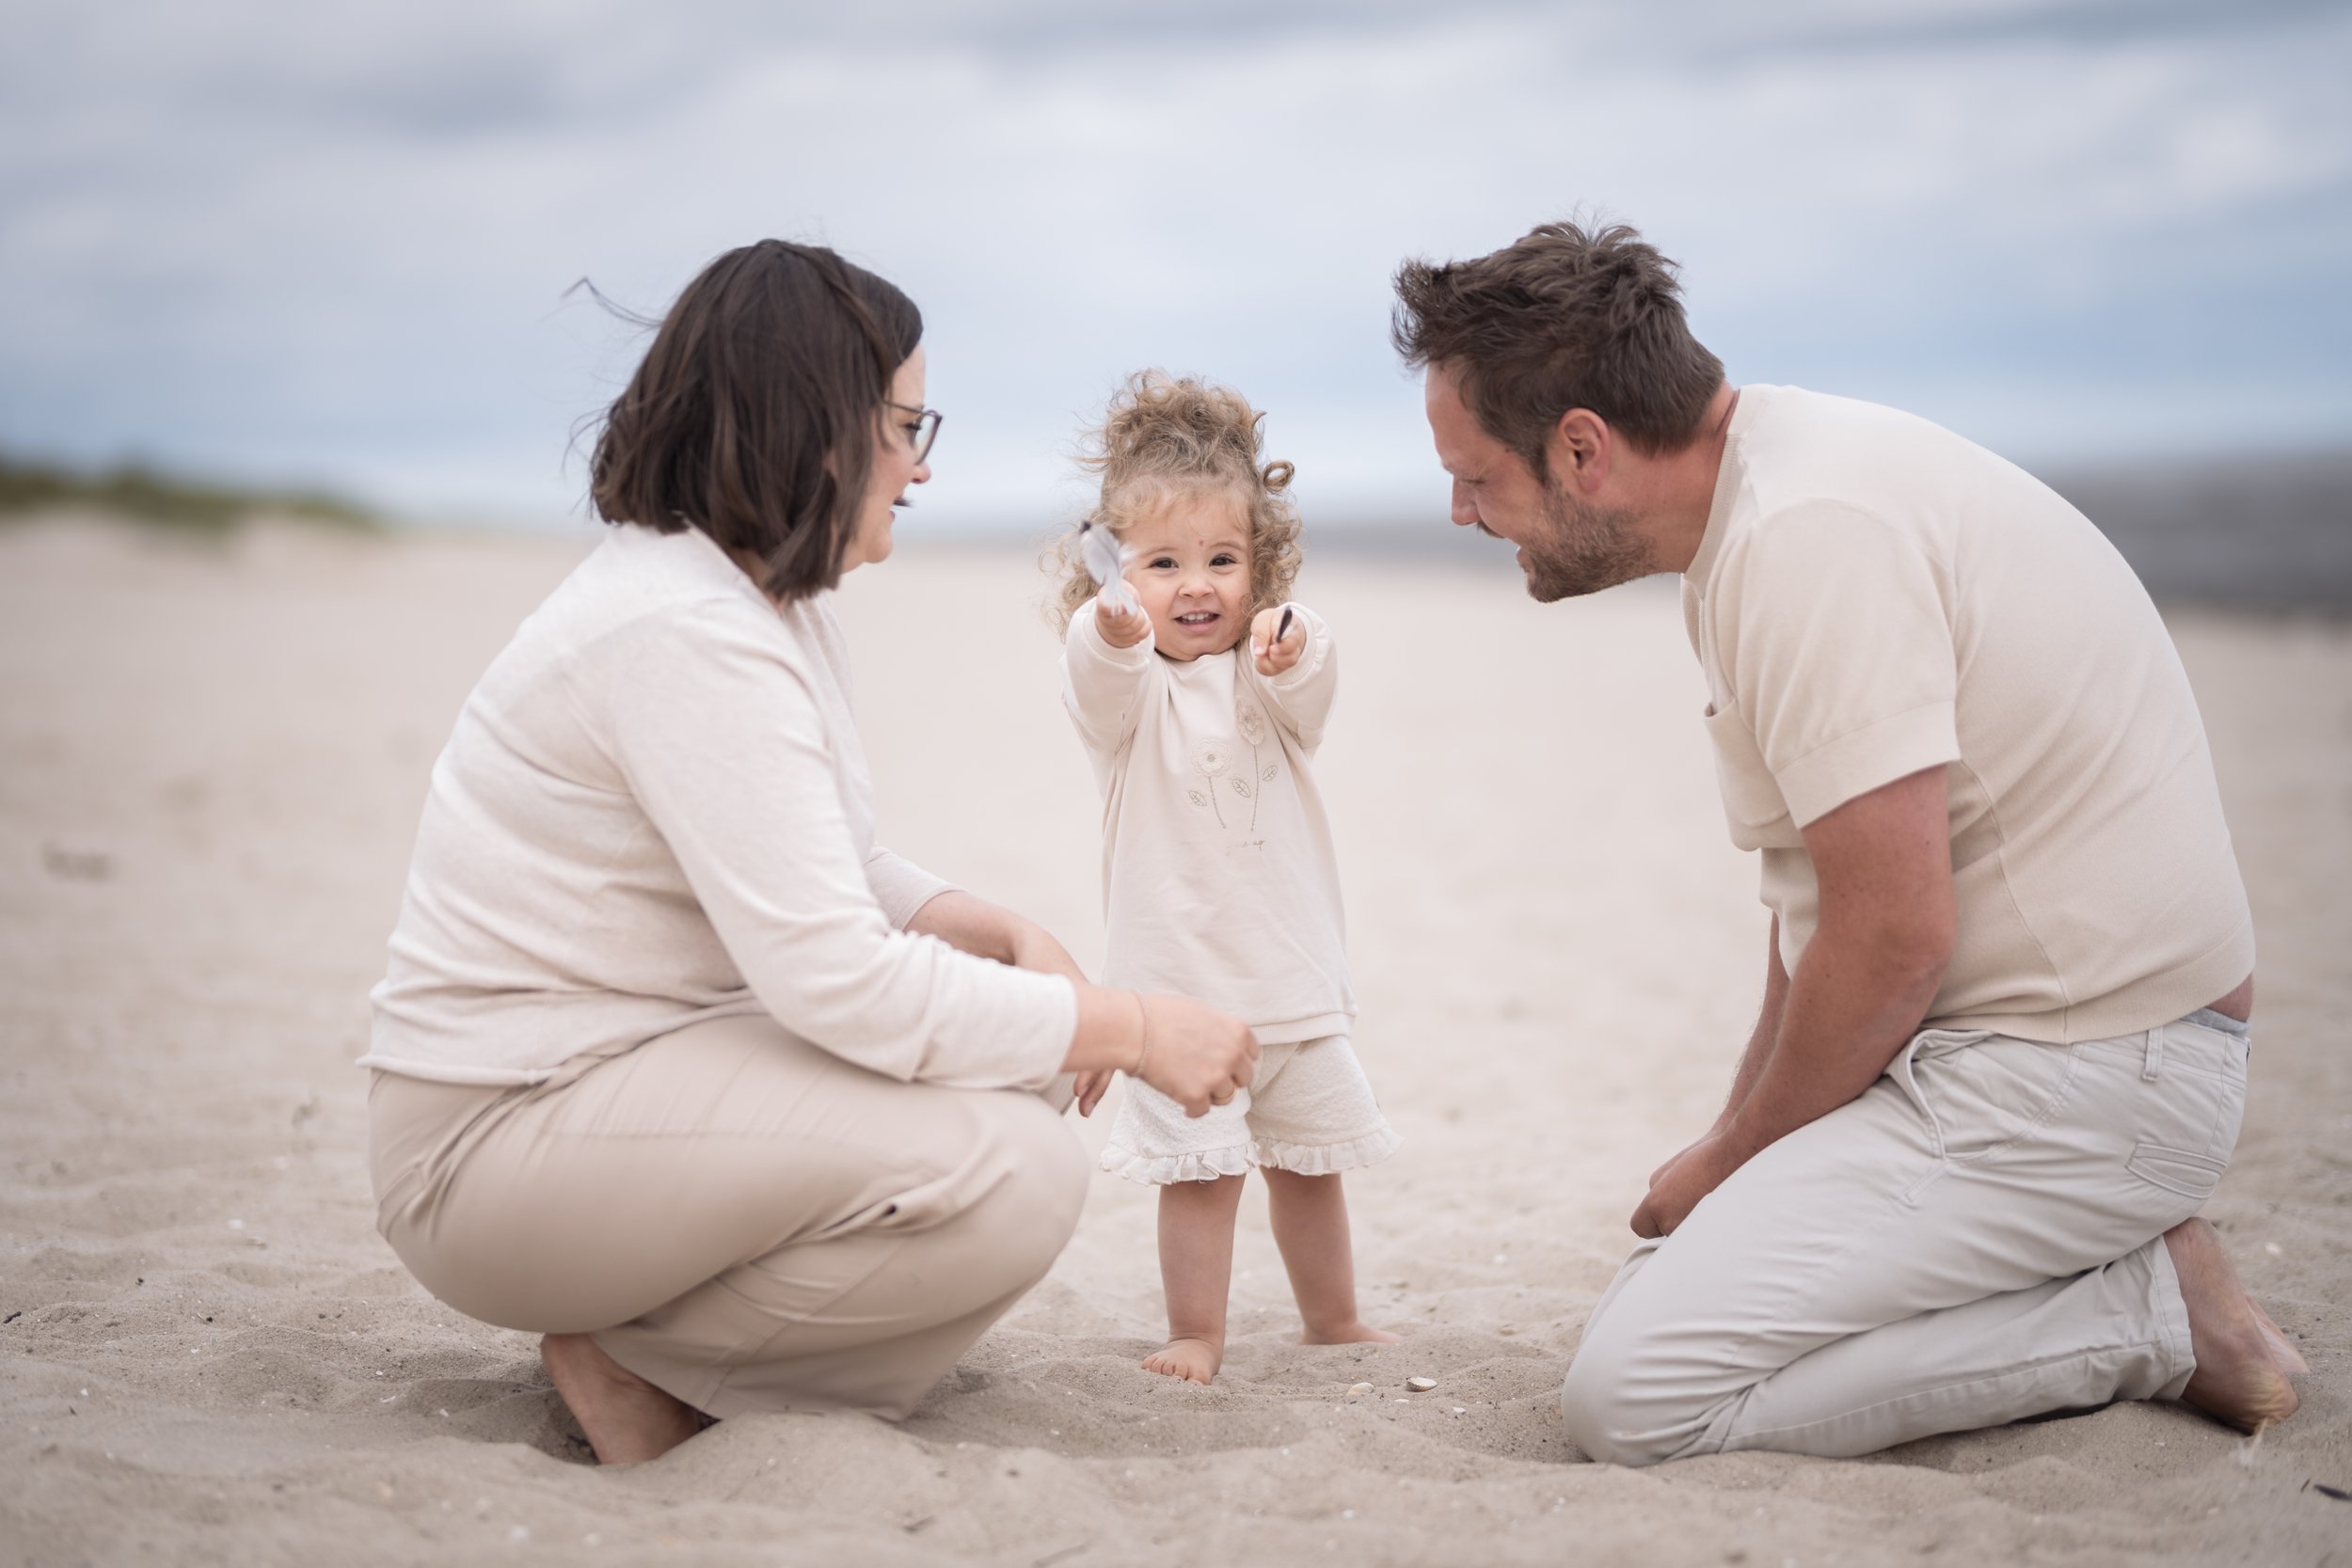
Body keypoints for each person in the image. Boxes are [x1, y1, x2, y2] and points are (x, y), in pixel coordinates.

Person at [1390, 219, 2308, 1465]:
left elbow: (1893, 933)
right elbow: (1821, 904)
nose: (1457, 510)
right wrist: (1728, 1157)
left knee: (1635, 1394)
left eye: (1477, 476)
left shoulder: (1808, 536)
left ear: (1583, 448)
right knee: (1659, 1288)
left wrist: (1737, 1151)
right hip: (2020, 1052)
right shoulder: (1757, 509)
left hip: (2094, 1073)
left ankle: (2150, 1310)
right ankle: (2099, 1273)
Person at [362, 242, 1258, 1465]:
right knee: (1016, 1169)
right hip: (494, 1141)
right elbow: (838, 978)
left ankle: (674, 1343)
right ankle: (644, 1366)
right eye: (903, 423)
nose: (923, 459)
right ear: (814, 424)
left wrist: (989, 926)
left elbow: (814, 852)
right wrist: (1136, 1025)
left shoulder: (751, 603)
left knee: (1023, 1063)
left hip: (614, 1079)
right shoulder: (684, 630)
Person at [1052, 372, 1399, 1385]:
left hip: (1294, 984)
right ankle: (1197, 1330)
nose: (1194, 583)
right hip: (1180, 996)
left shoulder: (1265, 670)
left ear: (1261, 568)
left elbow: (1312, 685)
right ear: (1113, 575)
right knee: (1202, 1180)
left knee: (1309, 1164)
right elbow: (1095, 675)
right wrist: (1111, 633)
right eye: (1161, 564)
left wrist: (1291, 647)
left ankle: (1330, 1318)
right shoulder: (1129, 695)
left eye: (1221, 559)